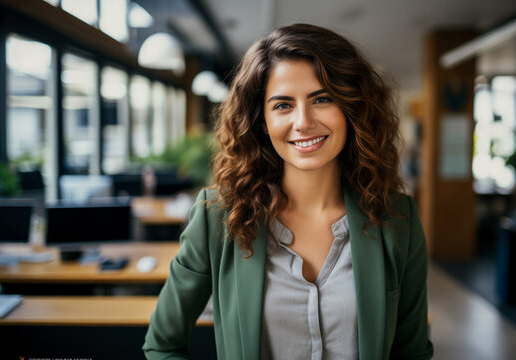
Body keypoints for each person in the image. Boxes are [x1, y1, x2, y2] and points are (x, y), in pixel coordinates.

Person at [143, 24, 434, 360]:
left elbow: (412, 352)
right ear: (261, 121)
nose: (303, 121)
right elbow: (162, 345)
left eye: (322, 99)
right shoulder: (217, 216)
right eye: (283, 105)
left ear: (352, 108)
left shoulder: (397, 219)